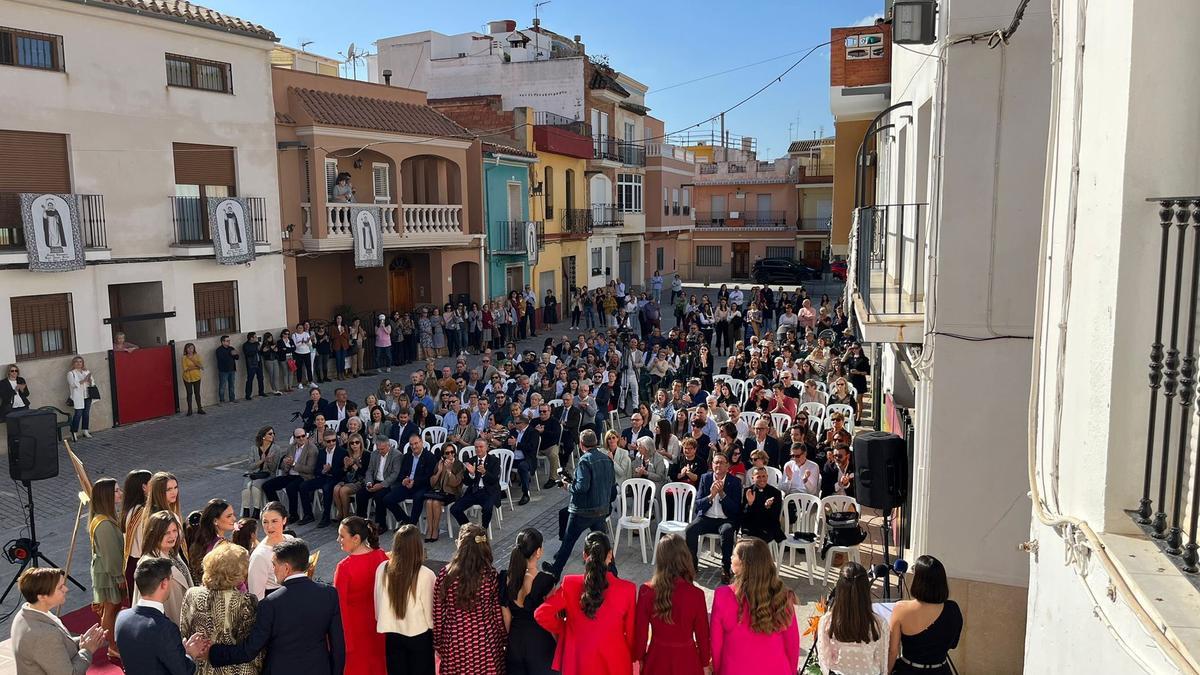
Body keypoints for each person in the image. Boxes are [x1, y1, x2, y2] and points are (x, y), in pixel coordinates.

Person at [209, 539, 346, 675]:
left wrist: (211, 652)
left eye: (274, 565)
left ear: (286, 568)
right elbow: (338, 647)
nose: (273, 570)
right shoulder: (329, 594)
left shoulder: (270, 604)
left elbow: (249, 651)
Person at [535, 532, 636, 675]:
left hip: (579, 660)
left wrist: (565, 629)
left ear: (584, 555)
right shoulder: (628, 589)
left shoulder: (569, 584)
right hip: (615, 661)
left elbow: (541, 614)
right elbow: (632, 635)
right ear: (610, 555)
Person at [709, 538, 799, 674]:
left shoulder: (723, 596)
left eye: (734, 555)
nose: (731, 558)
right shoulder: (783, 596)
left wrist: (717, 669)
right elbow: (792, 643)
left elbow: (716, 643)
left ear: (743, 564)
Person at [116, 558, 210, 675]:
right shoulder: (165, 628)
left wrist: (180, 652)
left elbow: (147, 657)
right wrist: (190, 654)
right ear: (164, 583)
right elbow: (183, 671)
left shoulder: (121, 617)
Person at [432, 524, 506, 675]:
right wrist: (504, 638)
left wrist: (438, 643)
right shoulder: (490, 575)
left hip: (455, 640)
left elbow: (438, 615)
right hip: (486, 639)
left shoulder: (446, 575)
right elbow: (497, 614)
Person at [633, 534, 710, 675]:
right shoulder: (697, 594)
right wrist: (705, 663)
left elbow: (640, 633)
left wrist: (639, 659)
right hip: (687, 660)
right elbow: (703, 635)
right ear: (686, 558)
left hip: (657, 659)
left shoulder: (646, 591)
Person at [544, 429, 617, 578]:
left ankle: (555, 573)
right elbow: (611, 485)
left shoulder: (585, 461)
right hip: (601, 510)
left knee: (568, 542)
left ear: (582, 445)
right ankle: (613, 573)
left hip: (582, 511)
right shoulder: (607, 459)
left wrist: (568, 486)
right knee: (603, 544)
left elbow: (582, 487)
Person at [179, 544, 261, 675]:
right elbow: (250, 647)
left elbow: (183, 634)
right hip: (235, 669)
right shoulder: (246, 601)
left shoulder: (192, 594)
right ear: (238, 571)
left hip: (199, 668)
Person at [12, 566, 107, 674]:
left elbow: (54, 647)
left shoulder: (25, 614)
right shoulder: (44, 635)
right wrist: (87, 650)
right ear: (42, 597)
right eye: (60, 587)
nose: (66, 589)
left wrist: (83, 640)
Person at [376, 524, 436, 675]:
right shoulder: (426, 574)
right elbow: (430, 614)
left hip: (392, 634)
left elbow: (378, 603)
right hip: (420, 636)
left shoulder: (382, 568)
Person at [887, 555, 962, 675]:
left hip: (908, 670)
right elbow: (953, 644)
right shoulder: (953, 608)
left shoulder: (901, 609)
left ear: (918, 581)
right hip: (941, 670)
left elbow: (893, 650)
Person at [334, 517, 389, 675]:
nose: (338, 540)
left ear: (356, 538)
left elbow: (339, 606)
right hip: (379, 625)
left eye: (342, 536)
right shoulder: (381, 556)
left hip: (353, 631)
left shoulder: (344, 567)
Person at [498, 528, 557, 675]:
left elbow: (506, 616)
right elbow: (550, 619)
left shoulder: (505, 577)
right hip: (540, 642)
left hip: (515, 641)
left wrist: (508, 641)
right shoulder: (547, 581)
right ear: (538, 552)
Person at [818, 562, 889, 675]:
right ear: (866, 591)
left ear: (839, 590)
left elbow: (825, 660)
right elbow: (882, 660)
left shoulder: (827, 621)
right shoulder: (879, 624)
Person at [684, 452, 742, 584]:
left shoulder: (734, 482)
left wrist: (722, 494)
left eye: (722, 462)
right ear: (712, 464)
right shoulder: (705, 478)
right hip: (707, 517)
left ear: (727, 466)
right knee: (690, 530)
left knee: (727, 531)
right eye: (716, 462)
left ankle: (726, 568)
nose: (718, 465)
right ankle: (692, 565)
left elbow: (735, 508)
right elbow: (698, 504)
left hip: (725, 519)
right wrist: (711, 496)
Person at [88, 477, 126, 663]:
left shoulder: (106, 518)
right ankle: (112, 647)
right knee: (110, 609)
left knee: (113, 608)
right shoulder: (103, 524)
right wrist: (119, 577)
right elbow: (111, 554)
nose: (121, 493)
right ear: (106, 497)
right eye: (117, 491)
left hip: (107, 570)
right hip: (109, 573)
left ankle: (113, 643)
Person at [380, 434, 437, 530]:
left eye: (416, 443)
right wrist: (404, 479)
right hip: (407, 485)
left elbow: (428, 476)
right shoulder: (407, 457)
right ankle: (405, 519)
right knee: (387, 499)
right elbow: (401, 473)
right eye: (411, 444)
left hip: (422, 486)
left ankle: (412, 526)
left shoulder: (429, 457)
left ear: (421, 443)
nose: (414, 446)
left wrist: (414, 482)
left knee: (418, 497)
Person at [262, 428, 316, 522]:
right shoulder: (291, 447)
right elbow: (283, 465)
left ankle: (294, 515)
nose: (301, 438)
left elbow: (310, 469)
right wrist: (285, 463)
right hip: (290, 474)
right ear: (294, 438)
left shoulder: (311, 449)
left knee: (290, 487)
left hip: (303, 476)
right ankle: (279, 511)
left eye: (303, 436)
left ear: (306, 436)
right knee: (267, 486)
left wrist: (294, 464)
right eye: (298, 437)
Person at [449, 438, 502, 531]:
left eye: (481, 447)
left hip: (488, 491)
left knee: (487, 509)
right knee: (454, 509)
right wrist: (472, 474)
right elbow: (466, 482)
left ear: (486, 448)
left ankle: (483, 530)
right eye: (476, 447)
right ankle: (470, 529)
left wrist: (485, 473)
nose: (478, 449)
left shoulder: (494, 460)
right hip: (474, 491)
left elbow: (494, 480)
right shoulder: (470, 461)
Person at [247, 502, 293, 599]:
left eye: (274, 521)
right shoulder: (259, 556)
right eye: (265, 522)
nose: (269, 527)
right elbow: (256, 596)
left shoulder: (290, 539)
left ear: (284, 520)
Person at [186, 499, 236, 584]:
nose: (234, 519)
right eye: (229, 516)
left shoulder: (204, 542)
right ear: (215, 521)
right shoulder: (223, 546)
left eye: (233, 515)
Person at [424, 442, 463, 543]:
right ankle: (430, 528)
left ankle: (435, 529)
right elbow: (432, 483)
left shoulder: (458, 464)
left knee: (435, 502)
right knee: (429, 502)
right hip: (439, 492)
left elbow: (455, 483)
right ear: (443, 455)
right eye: (447, 453)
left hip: (452, 493)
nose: (450, 455)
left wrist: (449, 471)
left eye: (452, 452)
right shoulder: (439, 463)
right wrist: (439, 472)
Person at [740, 466, 785, 545]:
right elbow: (743, 516)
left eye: (764, 476)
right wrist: (749, 504)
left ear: (767, 477)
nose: (761, 479)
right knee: (745, 543)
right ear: (753, 478)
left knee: (757, 543)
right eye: (758, 477)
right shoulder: (748, 491)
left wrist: (767, 507)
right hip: (750, 527)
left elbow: (775, 516)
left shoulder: (775, 493)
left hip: (768, 527)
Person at [67, 355, 93, 440]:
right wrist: (84, 380)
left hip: (87, 395)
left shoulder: (86, 371)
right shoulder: (71, 373)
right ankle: (73, 432)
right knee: (78, 414)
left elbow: (92, 383)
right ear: (73, 363)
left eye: (80, 362)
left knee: (86, 414)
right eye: (76, 362)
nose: (79, 363)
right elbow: (73, 384)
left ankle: (85, 430)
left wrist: (89, 381)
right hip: (78, 397)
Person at [180, 344, 206, 416]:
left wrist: (193, 362)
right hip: (187, 378)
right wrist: (195, 367)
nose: (190, 350)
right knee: (189, 393)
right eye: (188, 348)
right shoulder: (184, 358)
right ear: (186, 349)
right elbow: (185, 369)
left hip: (197, 377)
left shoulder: (197, 356)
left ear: (194, 349)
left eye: (192, 348)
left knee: (197, 393)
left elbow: (201, 366)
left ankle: (199, 409)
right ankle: (190, 410)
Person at [216, 335, 239, 404]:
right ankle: (222, 400)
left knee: (232, 385)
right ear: (223, 342)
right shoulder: (219, 350)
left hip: (232, 370)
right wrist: (230, 354)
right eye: (227, 341)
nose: (229, 342)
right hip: (223, 371)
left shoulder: (231, 348)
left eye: (229, 341)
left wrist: (235, 354)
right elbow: (222, 359)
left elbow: (237, 357)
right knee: (222, 386)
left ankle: (232, 399)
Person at [242, 332, 265, 400]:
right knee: (250, 380)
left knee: (261, 378)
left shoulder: (257, 344)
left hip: (259, 363)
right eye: (255, 337)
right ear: (251, 338)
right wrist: (256, 350)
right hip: (251, 364)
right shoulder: (245, 345)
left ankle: (261, 392)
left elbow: (259, 352)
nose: (256, 338)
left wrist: (263, 350)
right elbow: (248, 354)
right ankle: (248, 395)